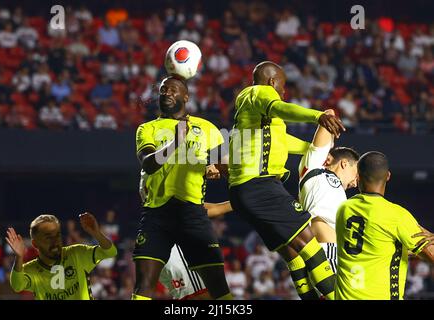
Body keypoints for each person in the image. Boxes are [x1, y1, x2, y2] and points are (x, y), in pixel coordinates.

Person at [228, 61, 345, 300]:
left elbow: (282, 142)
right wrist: (318, 117)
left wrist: (313, 151)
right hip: (260, 185)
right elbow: (281, 108)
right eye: (282, 86)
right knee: (309, 243)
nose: (283, 91)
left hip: (244, 191)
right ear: (272, 81)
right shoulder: (260, 93)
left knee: (292, 253)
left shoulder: (254, 113)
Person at [133, 76, 232, 300]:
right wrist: (175, 141)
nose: (166, 93)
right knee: (144, 285)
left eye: (173, 90)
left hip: (192, 213)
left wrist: (216, 166)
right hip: (156, 214)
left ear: (186, 96)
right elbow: (148, 164)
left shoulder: (207, 127)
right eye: (163, 90)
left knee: (218, 286)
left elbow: (228, 167)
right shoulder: (146, 129)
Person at [335, 151, 434, 300]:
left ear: (358, 176)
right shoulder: (397, 216)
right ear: (388, 176)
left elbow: (377, 247)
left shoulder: (343, 209)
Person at [298, 108, 360, 274]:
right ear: (344, 163)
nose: (356, 182)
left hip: (342, 255)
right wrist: (332, 137)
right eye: (357, 173)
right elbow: (329, 114)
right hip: (327, 253)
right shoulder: (315, 167)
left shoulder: (342, 196)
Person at [5, 213, 117, 300]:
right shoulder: (32, 269)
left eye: (57, 235)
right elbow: (17, 285)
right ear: (35, 244)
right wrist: (19, 257)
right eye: (48, 238)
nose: (54, 242)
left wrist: (97, 233)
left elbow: (110, 252)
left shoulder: (76, 253)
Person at [159, 201, 233, 300]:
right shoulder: (176, 195)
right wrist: (246, 199)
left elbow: (213, 208)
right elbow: (206, 210)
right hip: (175, 247)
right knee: (201, 294)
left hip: (160, 244)